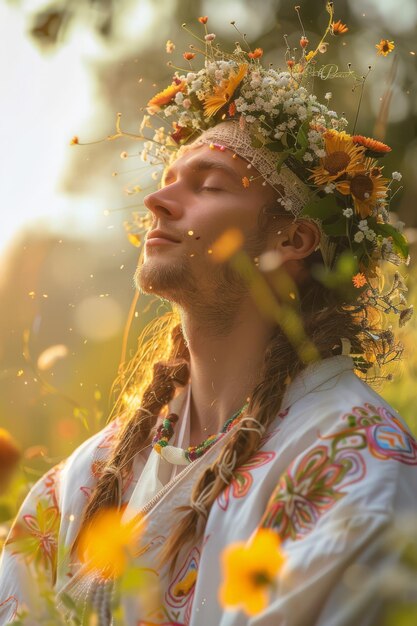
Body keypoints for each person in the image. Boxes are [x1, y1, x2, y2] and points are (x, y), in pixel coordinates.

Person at [1, 10, 417, 626]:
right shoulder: (92, 475)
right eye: (168, 178)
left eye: (210, 184)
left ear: (297, 238)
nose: (156, 199)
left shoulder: (352, 455)